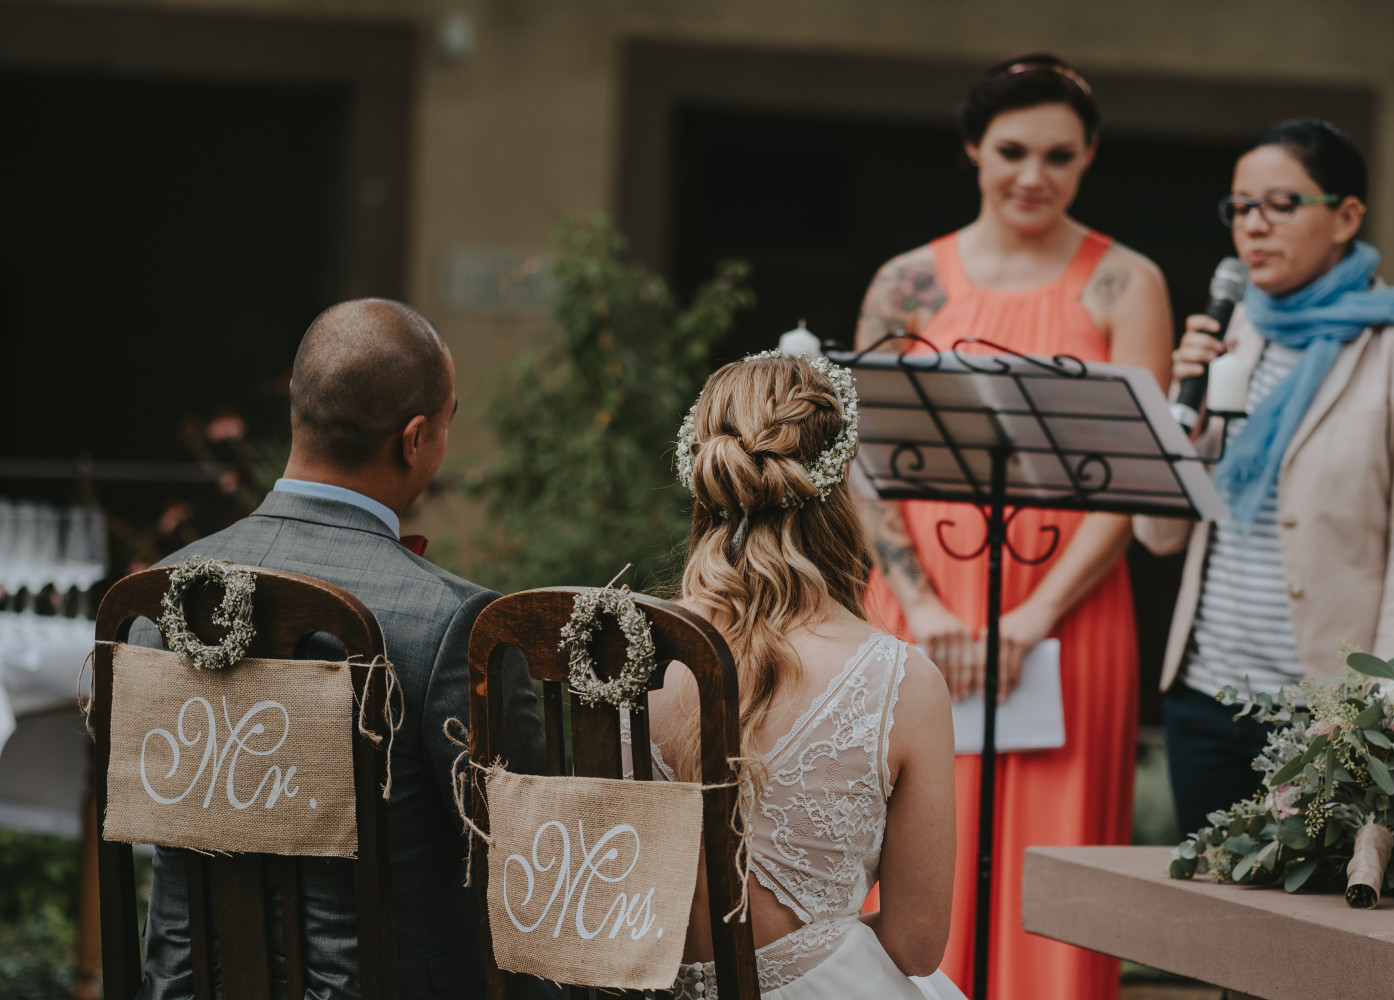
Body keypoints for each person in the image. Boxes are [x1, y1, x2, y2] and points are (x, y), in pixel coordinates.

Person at [854, 54, 1172, 1000]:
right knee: (908, 852)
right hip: (918, 608)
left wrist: (1032, 618)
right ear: (973, 149)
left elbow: (1133, 480)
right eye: (1012, 151)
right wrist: (920, 606)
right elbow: (864, 461)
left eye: (1059, 156)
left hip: (1068, 618)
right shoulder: (906, 281)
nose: (1034, 175)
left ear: (1089, 157)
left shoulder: (1127, 283)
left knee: (1054, 868)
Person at [133, 299, 550, 999]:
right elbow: (533, 869)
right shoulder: (453, 624)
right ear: (415, 438)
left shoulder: (159, 599)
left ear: (300, 410)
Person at [1137, 118, 1394, 839]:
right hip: (1207, 696)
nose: (1253, 225)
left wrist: (1386, 716)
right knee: (1205, 907)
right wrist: (1183, 412)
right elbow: (1159, 532)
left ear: (1347, 216)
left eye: (1280, 204)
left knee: (1317, 910)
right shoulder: (1234, 334)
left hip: (1328, 713)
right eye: (1240, 206)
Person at [646, 352, 963, 999]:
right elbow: (916, 945)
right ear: (841, 478)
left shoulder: (632, 652)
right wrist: (819, 944)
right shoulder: (902, 683)